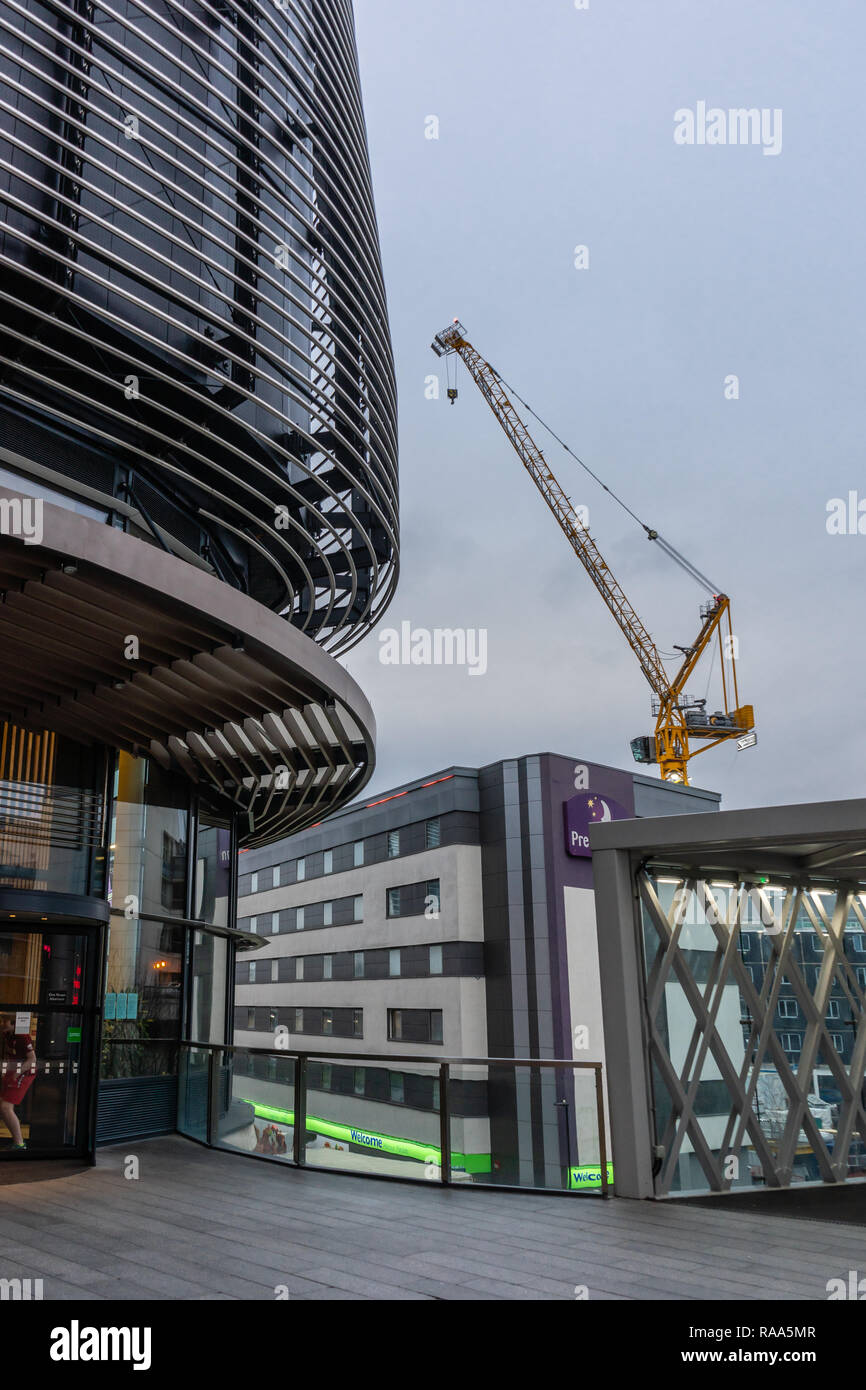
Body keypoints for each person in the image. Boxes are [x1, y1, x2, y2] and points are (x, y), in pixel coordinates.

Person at [0, 1014, 36, 1151]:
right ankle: (17, 1141)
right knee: (4, 1107)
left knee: (5, 1107)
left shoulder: (22, 1036)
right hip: (13, 1071)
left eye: (5, 1022)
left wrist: (17, 1073)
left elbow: (32, 1059)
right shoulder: (8, 1035)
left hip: (24, 1073)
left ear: (14, 1024)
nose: (3, 1024)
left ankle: (20, 1144)